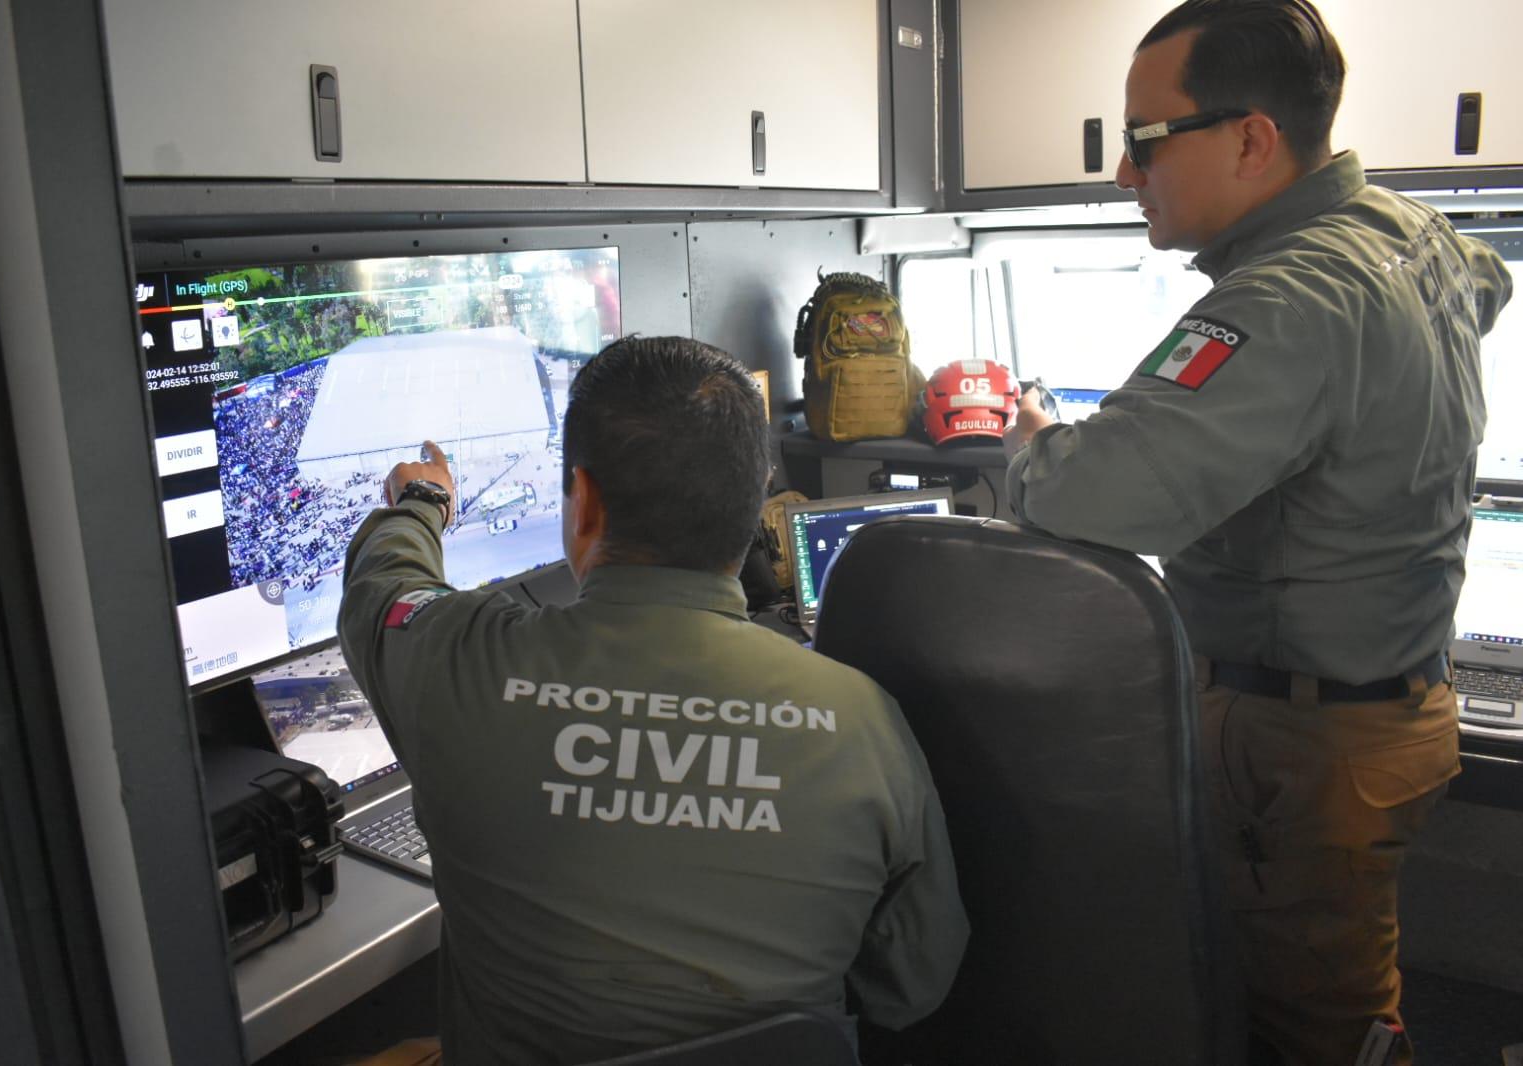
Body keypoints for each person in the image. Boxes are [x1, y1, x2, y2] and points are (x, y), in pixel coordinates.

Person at [1000, 2, 1513, 1063]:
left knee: (1307, 1033)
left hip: (1301, 741)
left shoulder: (1290, 294)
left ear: (1250, 138)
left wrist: (1033, 444)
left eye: (1144, 142)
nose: (1123, 174)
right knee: (1332, 1000)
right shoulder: (1403, 233)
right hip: (1388, 707)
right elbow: (1488, 283)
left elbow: (1093, 495)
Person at [338, 336, 967, 1065]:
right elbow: (911, 983)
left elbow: (383, 591)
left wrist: (422, 502)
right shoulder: (860, 718)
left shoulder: (456, 660)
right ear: (756, 494)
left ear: (585, 503)